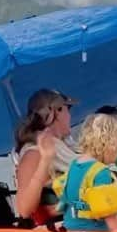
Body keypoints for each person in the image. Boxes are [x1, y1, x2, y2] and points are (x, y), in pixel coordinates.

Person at [13, 88, 77, 222]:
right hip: (74, 227)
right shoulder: (34, 153)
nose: (70, 116)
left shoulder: (67, 147)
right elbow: (24, 209)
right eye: (67, 109)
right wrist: (46, 159)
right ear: (56, 111)